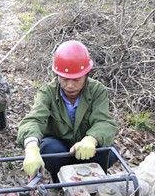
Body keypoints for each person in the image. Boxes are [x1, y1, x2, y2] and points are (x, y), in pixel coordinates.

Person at [17, 40, 118, 181]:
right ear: (56, 75)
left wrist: (91, 139)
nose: (70, 85)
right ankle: (59, 180)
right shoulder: (47, 91)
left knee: (110, 152)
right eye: (64, 79)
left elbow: (104, 121)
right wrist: (31, 147)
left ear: (86, 75)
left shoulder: (97, 90)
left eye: (76, 80)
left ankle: (91, 180)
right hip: (59, 148)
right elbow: (34, 119)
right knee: (48, 148)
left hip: (85, 149)